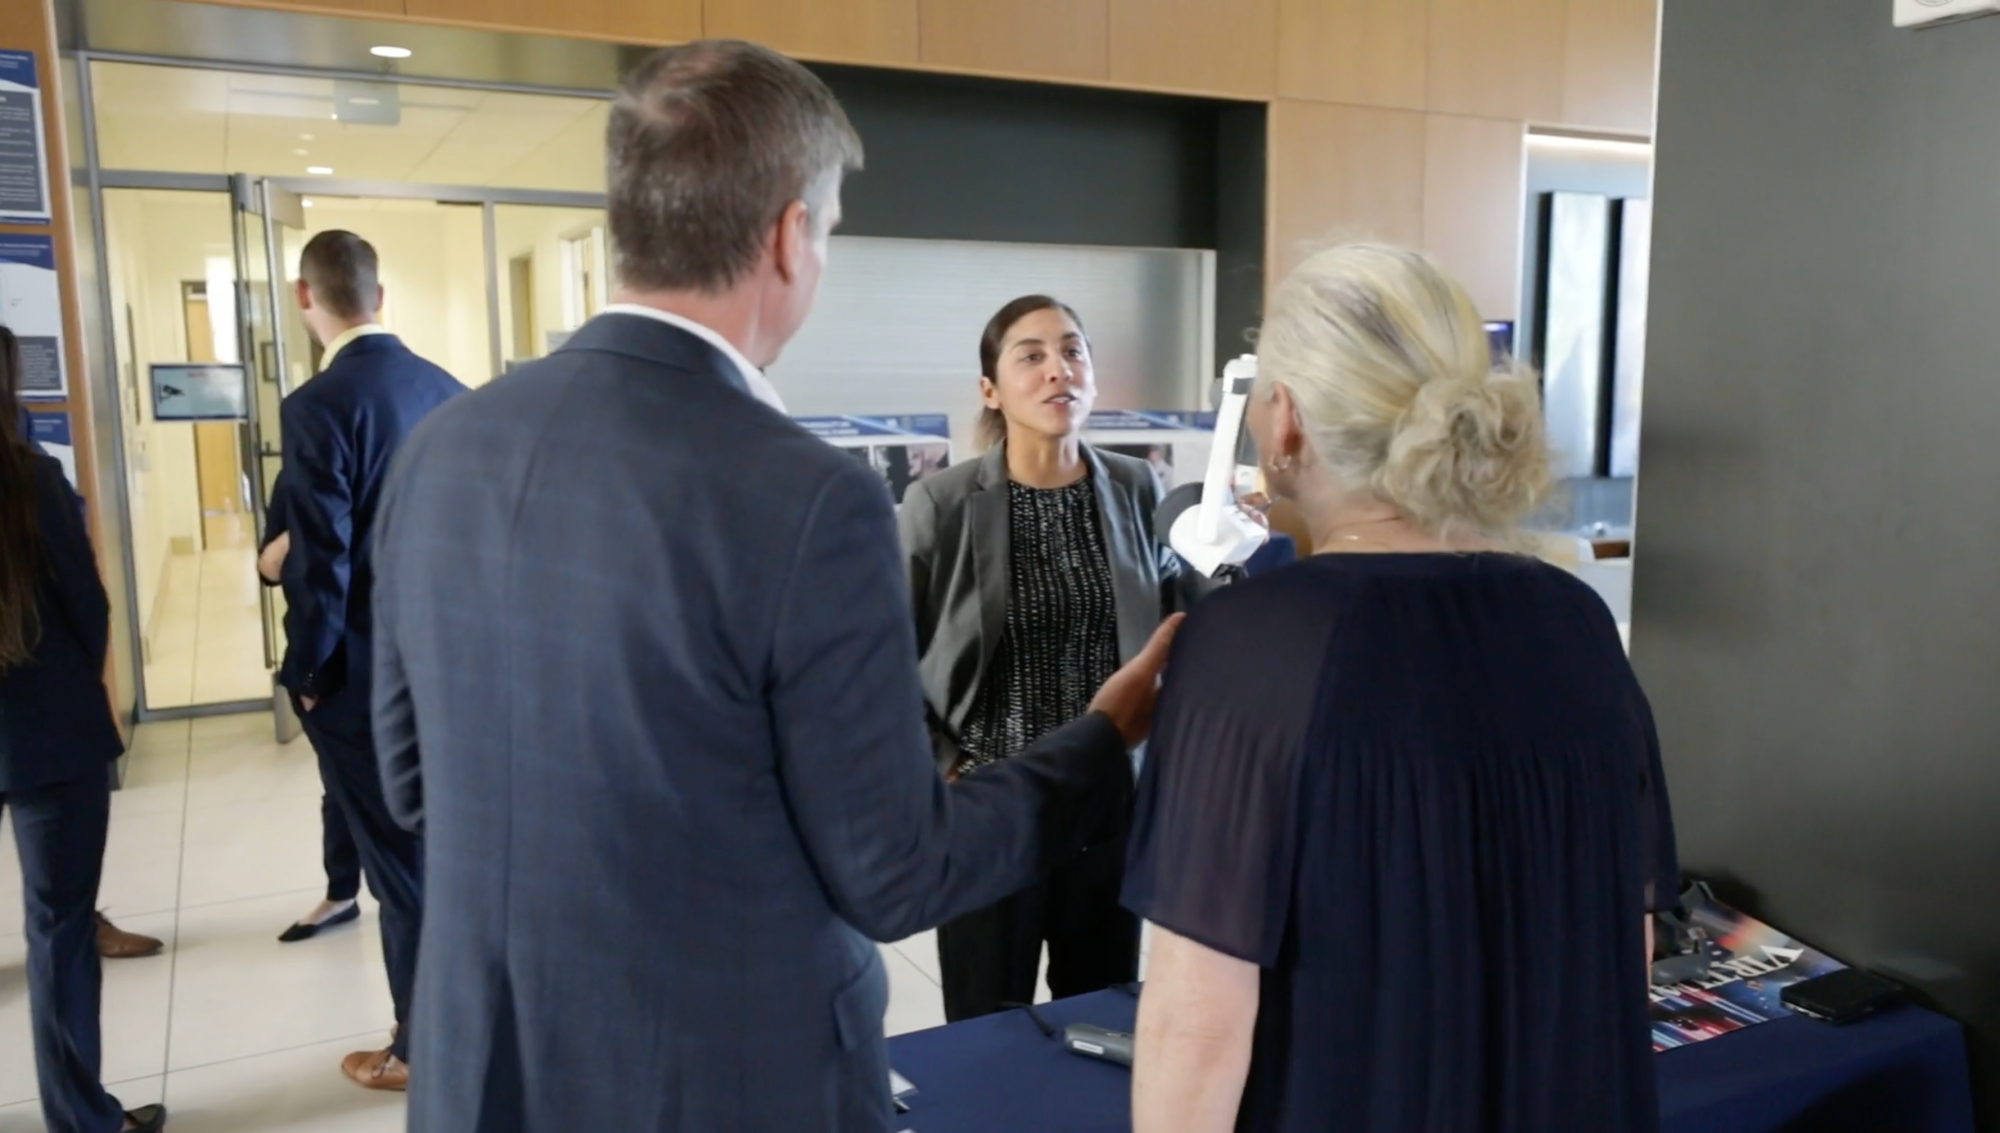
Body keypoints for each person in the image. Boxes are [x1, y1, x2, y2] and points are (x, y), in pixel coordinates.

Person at [369, 40, 1174, 1132]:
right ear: (790, 234)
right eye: (832, 230)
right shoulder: (804, 495)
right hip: (724, 1072)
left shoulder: (443, 447)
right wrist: (1100, 736)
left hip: (490, 1067)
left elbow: (413, 782)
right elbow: (895, 873)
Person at [1122, 243, 1679, 1133]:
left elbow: (1199, 1020)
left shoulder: (1249, 644)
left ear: (1287, 420)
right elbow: (1628, 948)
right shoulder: (1576, 625)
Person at [898, 295, 1208, 1022]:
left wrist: (1225, 546)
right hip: (990, 802)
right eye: (1030, 355)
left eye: (1073, 351)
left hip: (1105, 802)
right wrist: (940, 759)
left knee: (1099, 1016)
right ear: (991, 390)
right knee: (983, 1021)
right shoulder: (940, 502)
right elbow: (886, 650)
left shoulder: (1134, 485)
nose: (1056, 369)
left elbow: (1180, 619)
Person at [276, 230, 466, 1091]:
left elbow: (324, 558)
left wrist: (308, 677)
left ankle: (423, 1049)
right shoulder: (451, 392)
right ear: (380, 296)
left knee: (401, 872)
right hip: (454, 669)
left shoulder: (318, 405)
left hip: (365, 681)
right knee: (449, 858)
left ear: (305, 298)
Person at [0, 326, 167, 1133]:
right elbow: (88, 606)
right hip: (47, 733)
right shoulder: (32, 480)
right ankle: (82, 1120)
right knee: (60, 931)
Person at [255, 471, 362, 943]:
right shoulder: (299, 482)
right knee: (338, 785)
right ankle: (341, 893)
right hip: (327, 663)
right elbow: (268, 568)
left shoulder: (409, 462)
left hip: (397, 654)